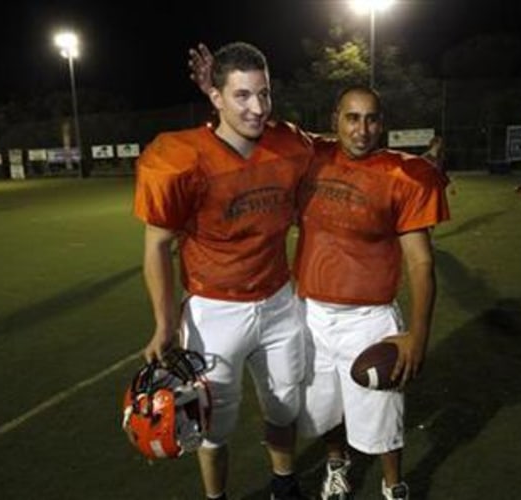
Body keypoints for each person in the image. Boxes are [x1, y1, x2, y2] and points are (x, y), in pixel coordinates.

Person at [189, 46, 449, 500]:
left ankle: (394, 487)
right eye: (352, 118)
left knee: (381, 417)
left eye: (370, 119)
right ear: (335, 120)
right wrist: (215, 90)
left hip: (370, 317)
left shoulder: (404, 176)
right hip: (308, 312)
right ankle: (336, 465)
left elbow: (422, 262)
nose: (361, 129)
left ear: (381, 123)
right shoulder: (312, 155)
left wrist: (418, 335)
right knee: (322, 410)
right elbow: (252, 126)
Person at [134, 41, 313, 500]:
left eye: (264, 94)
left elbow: (338, 154)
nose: (257, 108)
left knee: (285, 405)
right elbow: (156, 245)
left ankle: (284, 484)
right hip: (215, 309)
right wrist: (165, 322)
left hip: (277, 300)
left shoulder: (289, 145)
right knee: (211, 424)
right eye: (241, 95)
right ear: (215, 97)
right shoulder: (181, 158)